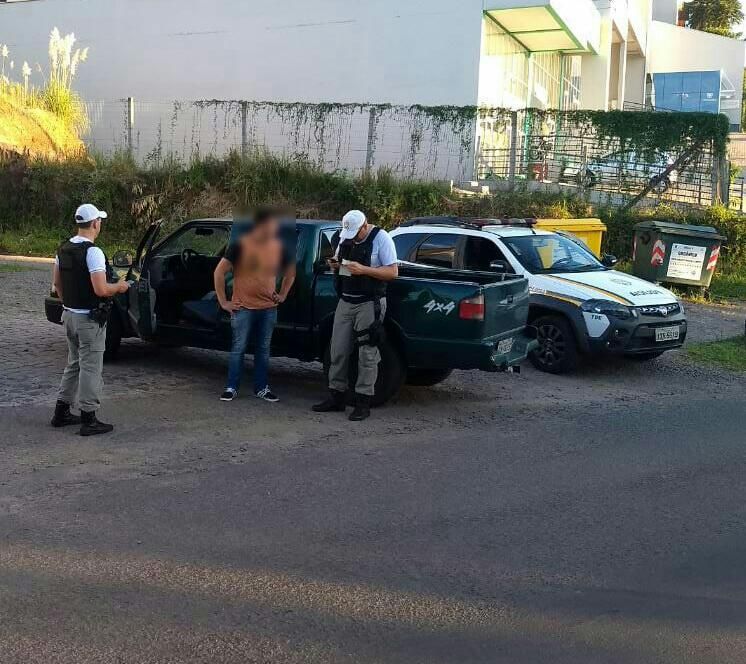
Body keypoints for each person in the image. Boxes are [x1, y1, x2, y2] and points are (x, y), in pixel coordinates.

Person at [51, 204, 130, 436]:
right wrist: (120, 286)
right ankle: (89, 418)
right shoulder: (93, 252)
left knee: (73, 363)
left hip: (69, 316)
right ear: (95, 223)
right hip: (89, 319)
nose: (100, 224)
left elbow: (57, 285)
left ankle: (61, 412)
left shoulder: (63, 249)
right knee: (91, 368)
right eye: (100, 221)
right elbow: (101, 289)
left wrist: (69, 305)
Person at [312, 210, 398, 421]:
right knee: (338, 350)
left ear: (365, 225)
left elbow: (392, 272)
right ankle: (336, 396)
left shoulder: (382, 238)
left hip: (370, 302)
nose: (351, 238)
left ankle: (363, 401)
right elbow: (341, 266)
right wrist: (335, 265)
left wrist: (365, 270)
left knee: (367, 353)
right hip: (346, 300)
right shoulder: (345, 237)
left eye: (355, 233)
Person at [214, 207, 296, 403]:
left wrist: (283, 294)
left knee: (263, 350)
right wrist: (223, 301)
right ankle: (232, 386)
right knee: (238, 348)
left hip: (268, 308)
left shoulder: (280, 247)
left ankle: (261, 387)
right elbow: (219, 272)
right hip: (243, 307)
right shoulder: (240, 245)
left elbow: (290, 272)